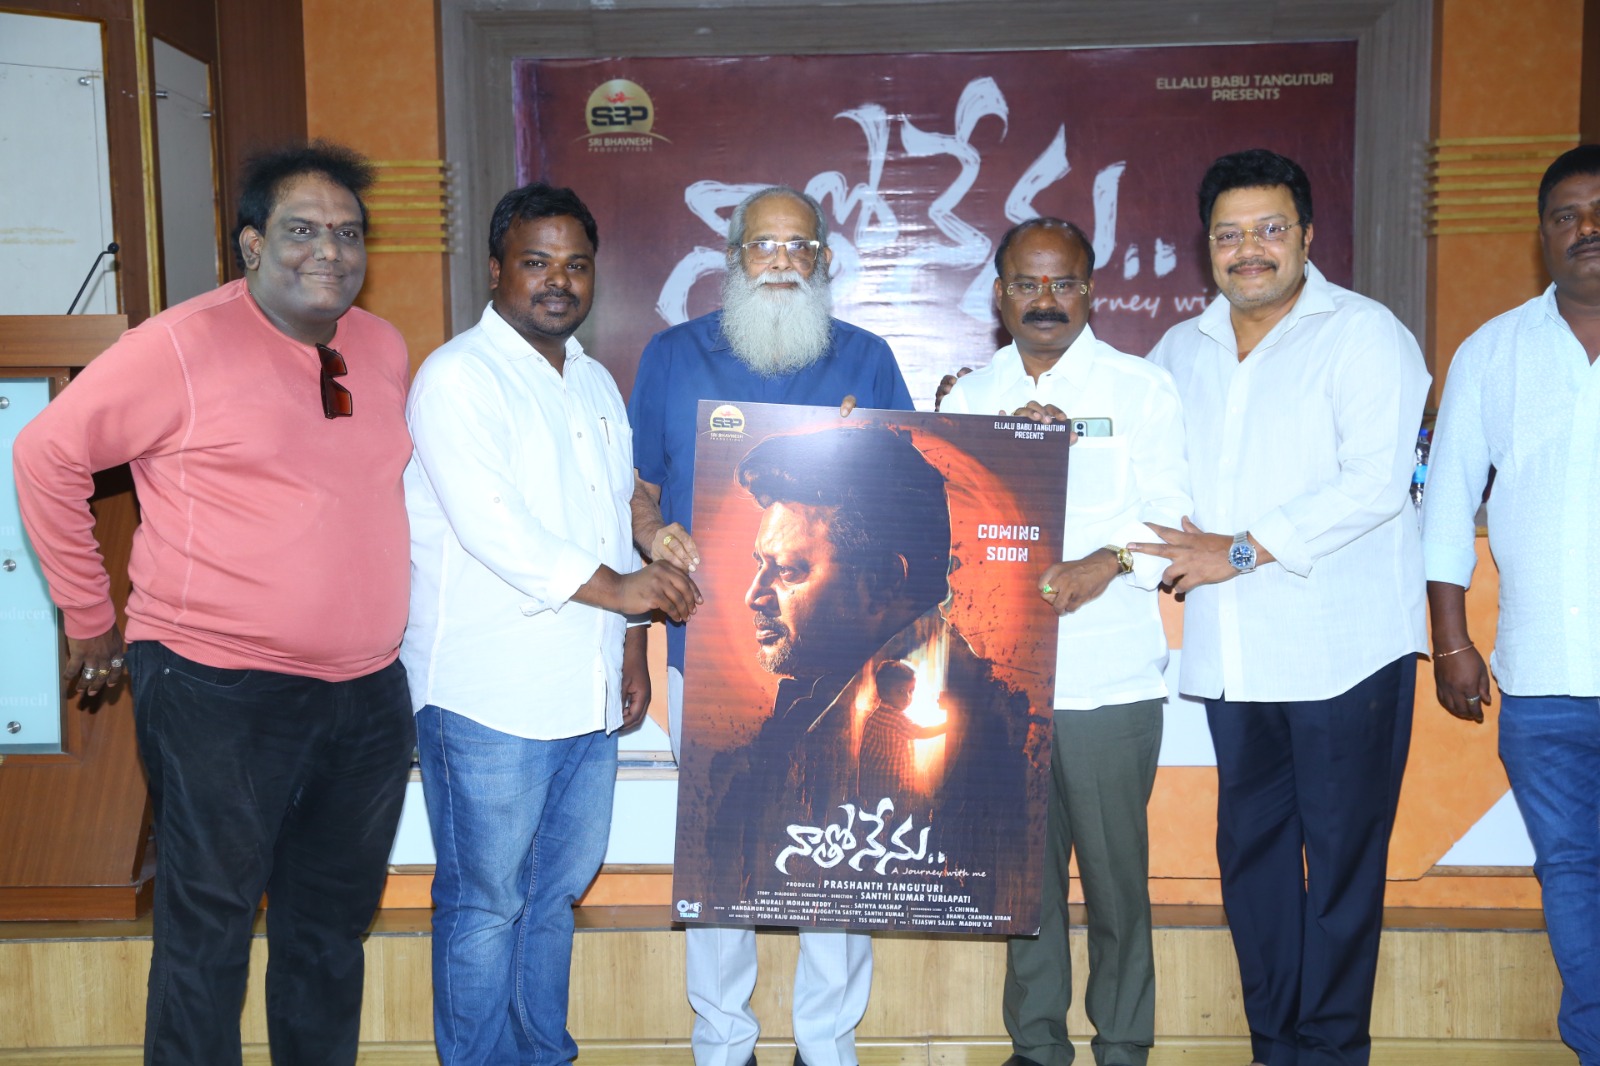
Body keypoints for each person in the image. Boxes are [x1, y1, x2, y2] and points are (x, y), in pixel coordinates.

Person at [12, 142, 415, 1065]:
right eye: (302, 230)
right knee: (209, 932)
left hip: (365, 695)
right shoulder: (179, 346)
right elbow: (44, 455)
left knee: (329, 931)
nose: (330, 251)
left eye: (348, 233)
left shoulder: (382, 346)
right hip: (217, 688)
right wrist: (88, 614)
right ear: (251, 243)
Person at [1132, 148, 1429, 1066]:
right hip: (1236, 657)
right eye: (1229, 234)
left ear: (1305, 235)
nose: (1249, 249)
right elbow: (1138, 468)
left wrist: (1239, 550)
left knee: (1341, 866)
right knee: (1253, 862)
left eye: (1269, 229)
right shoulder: (1179, 351)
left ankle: (1331, 1051)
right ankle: (1275, 1046)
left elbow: (1375, 482)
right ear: (1206, 245)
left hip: (1347, 653)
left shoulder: (1365, 335)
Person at [402, 182, 700, 1065]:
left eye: (575, 265)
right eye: (536, 262)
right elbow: (500, 530)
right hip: (489, 696)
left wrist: (634, 634)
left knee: (552, 896)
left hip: (586, 688)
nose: (558, 281)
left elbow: (615, 508)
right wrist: (627, 593)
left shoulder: (594, 380)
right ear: (496, 269)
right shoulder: (458, 377)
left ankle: (541, 1054)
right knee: (484, 903)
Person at [628, 185, 912, 1066]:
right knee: (721, 850)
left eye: (800, 247)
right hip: (708, 646)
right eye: (764, 246)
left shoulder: (867, 358)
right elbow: (636, 493)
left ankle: (825, 1044)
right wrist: (653, 535)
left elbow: (905, 495)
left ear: (824, 260)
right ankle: (724, 1043)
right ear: (733, 258)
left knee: (843, 851)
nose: (782, 262)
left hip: (843, 657)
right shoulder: (673, 357)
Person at [940, 217, 1191, 1066]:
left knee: (1117, 886)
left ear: (1090, 290)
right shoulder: (968, 399)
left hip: (1108, 682)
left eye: (1064, 283)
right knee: (1024, 887)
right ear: (998, 294)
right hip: (999, 682)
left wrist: (1106, 560)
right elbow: (947, 530)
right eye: (1026, 284)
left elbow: (1170, 518)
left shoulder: (1140, 388)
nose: (1045, 300)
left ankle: (1123, 1043)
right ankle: (1037, 1045)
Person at [1422, 144, 1600, 1066]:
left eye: (1599, 212)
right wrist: (1452, 641)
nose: (1587, 230)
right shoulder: (1492, 351)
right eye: (1567, 216)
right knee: (1571, 872)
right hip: (1544, 680)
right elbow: (1447, 504)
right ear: (1542, 235)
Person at [703, 424, 1032, 919]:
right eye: (760, 565)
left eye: (788, 570)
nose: (755, 595)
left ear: (881, 581)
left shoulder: (988, 733)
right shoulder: (810, 705)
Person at [857, 659, 947, 805]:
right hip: (892, 784)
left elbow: (865, 755)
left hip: (874, 781)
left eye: (911, 691)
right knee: (892, 812)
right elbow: (921, 732)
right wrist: (947, 726)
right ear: (884, 692)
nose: (907, 697)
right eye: (900, 691)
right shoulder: (897, 719)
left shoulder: (874, 717)